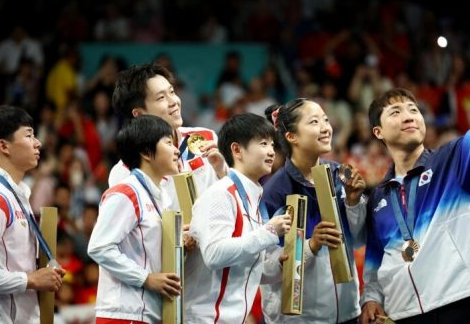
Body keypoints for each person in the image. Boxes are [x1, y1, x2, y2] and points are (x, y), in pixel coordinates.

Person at [360, 21, 470, 323]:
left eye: (413, 110)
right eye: (395, 113)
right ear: (378, 132)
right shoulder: (378, 197)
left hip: (457, 303)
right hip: (402, 313)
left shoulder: (453, 160)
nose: (409, 116)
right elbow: (374, 258)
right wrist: (371, 297)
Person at [260, 98, 367, 323]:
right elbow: (264, 270)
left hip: (348, 312)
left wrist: (354, 203)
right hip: (300, 319)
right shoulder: (273, 193)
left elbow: (358, 240)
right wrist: (310, 245)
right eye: (314, 122)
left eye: (325, 120)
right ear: (292, 137)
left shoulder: (341, 175)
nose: (325, 127)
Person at [0, 105, 65, 323]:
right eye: (29, 135)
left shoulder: (18, 194)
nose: (38, 143)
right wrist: (31, 280)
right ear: (4, 146)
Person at [185, 113, 292, 323]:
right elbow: (214, 255)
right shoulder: (220, 194)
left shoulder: (254, 200)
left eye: (272, 144)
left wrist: (280, 264)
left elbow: (249, 269)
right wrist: (269, 232)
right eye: (263, 143)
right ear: (236, 150)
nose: (271, 151)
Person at [88, 114, 182, 323]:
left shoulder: (161, 196)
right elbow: (98, 247)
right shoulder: (126, 192)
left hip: (148, 312)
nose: (177, 150)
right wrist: (146, 278)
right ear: (146, 153)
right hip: (124, 313)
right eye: (168, 143)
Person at [108, 63, 226, 202]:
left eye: (172, 92)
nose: (173, 102)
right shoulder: (125, 172)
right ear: (139, 114)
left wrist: (222, 172)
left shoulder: (206, 138)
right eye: (161, 98)